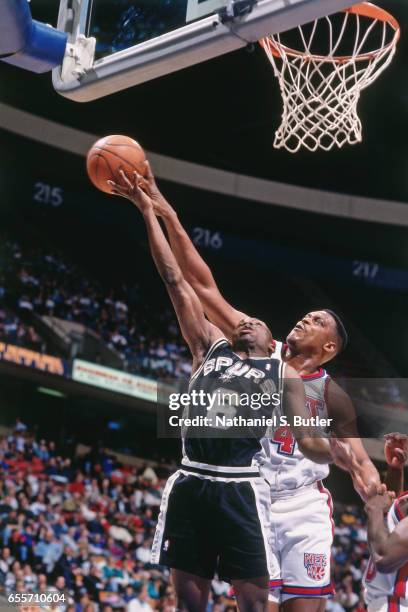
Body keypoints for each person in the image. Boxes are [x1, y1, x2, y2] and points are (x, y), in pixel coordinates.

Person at [111, 161, 381, 612]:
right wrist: (163, 210)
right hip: (247, 494)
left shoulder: (332, 395)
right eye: (306, 314)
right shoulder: (259, 343)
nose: (304, 318)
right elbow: (197, 283)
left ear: (329, 346)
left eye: (316, 320)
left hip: (299, 506)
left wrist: (377, 491)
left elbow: (354, 461)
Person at [364, 433, 408, 612]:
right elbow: (394, 517)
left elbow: (383, 559)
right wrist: (395, 470)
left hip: (396, 605)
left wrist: (373, 509)